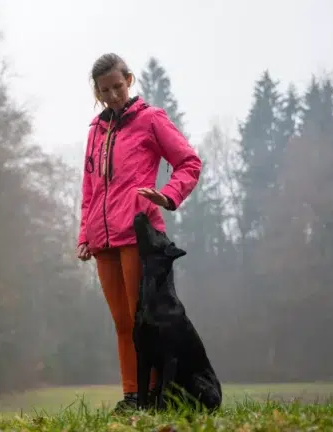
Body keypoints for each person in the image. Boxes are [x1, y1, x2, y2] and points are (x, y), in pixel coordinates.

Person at [76, 53, 201, 411]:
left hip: (138, 234)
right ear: (97, 92)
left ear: (129, 80)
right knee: (121, 323)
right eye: (105, 90)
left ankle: (157, 395)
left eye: (118, 86)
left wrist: (168, 194)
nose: (113, 95)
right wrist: (85, 234)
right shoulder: (96, 131)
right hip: (102, 241)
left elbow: (189, 162)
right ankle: (132, 396)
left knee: (144, 320)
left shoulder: (151, 120)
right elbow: (89, 187)